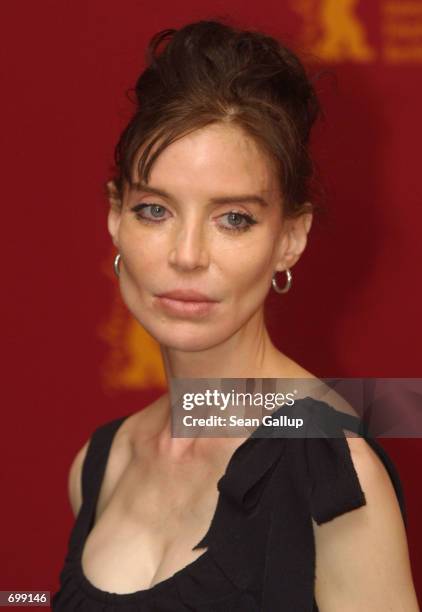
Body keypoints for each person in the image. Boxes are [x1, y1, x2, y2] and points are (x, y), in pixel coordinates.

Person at [52, 18, 419, 611]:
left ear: (290, 238)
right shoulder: (101, 463)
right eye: (154, 210)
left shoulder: (332, 470)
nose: (187, 255)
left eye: (234, 219)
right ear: (115, 215)